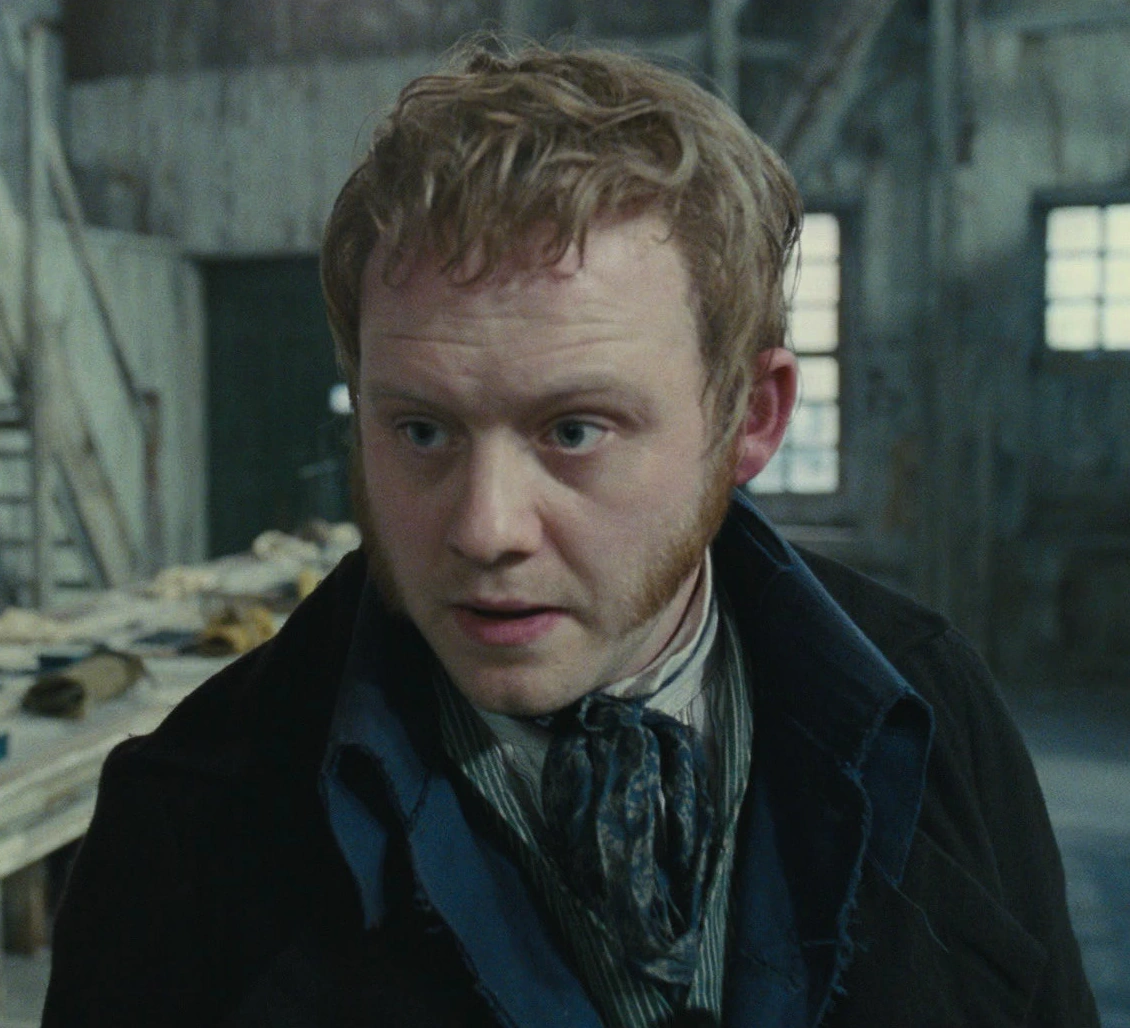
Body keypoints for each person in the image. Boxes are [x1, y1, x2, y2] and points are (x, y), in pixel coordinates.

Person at [44, 42, 1097, 1028]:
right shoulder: (186, 826)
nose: (484, 528)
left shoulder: (929, 711)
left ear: (749, 419)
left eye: (574, 430)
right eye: (421, 430)